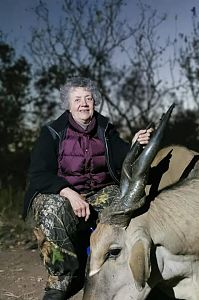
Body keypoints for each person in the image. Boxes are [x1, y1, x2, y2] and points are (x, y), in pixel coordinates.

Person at [23, 77, 153, 300]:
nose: (83, 103)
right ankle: (62, 278)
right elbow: (38, 175)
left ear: (94, 102)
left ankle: (125, 272)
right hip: (64, 195)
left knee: (132, 204)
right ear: (68, 105)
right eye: (77, 99)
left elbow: (123, 159)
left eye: (88, 98)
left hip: (101, 192)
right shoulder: (52, 133)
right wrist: (69, 192)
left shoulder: (105, 129)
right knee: (48, 211)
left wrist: (134, 144)